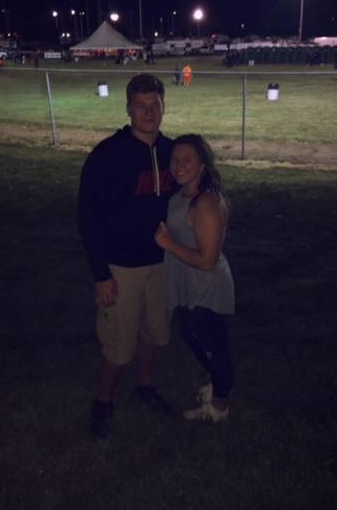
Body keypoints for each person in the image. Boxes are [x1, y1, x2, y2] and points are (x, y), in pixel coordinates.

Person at [78, 73, 176, 438]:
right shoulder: (108, 155)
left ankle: (145, 387)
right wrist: (101, 274)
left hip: (162, 263)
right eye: (141, 106)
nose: (149, 113)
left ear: (164, 106)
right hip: (121, 266)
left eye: (155, 105)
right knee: (119, 344)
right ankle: (103, 402)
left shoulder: (172, 152)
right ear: (128, 109)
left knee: (155, 334)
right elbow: (88, 217)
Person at [154, 134, 235, 423]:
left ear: (202, 165)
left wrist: (167, 244)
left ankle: (219, 407)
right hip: (190, 282)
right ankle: (217, 383)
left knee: (213, 347)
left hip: (206, 286)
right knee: (192, 335)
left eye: (187, 159)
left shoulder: (205, 203)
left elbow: (207, 261)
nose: (178, 165)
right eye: (175, 159)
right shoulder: (185, 194)